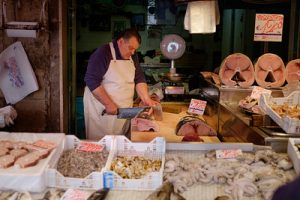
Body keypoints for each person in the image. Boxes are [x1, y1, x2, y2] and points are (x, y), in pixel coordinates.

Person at [83, 28, 158, 140]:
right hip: (102, 109)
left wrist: (146, 98)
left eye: (135, 49)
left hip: (122, 110)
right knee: (102, 143)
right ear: (121, 41)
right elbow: (91, 80)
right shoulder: (103, 53)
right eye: (131, 48)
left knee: (120, 141)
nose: (133, 52)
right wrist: (108, 104)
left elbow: (139, 78)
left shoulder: (132, 55)